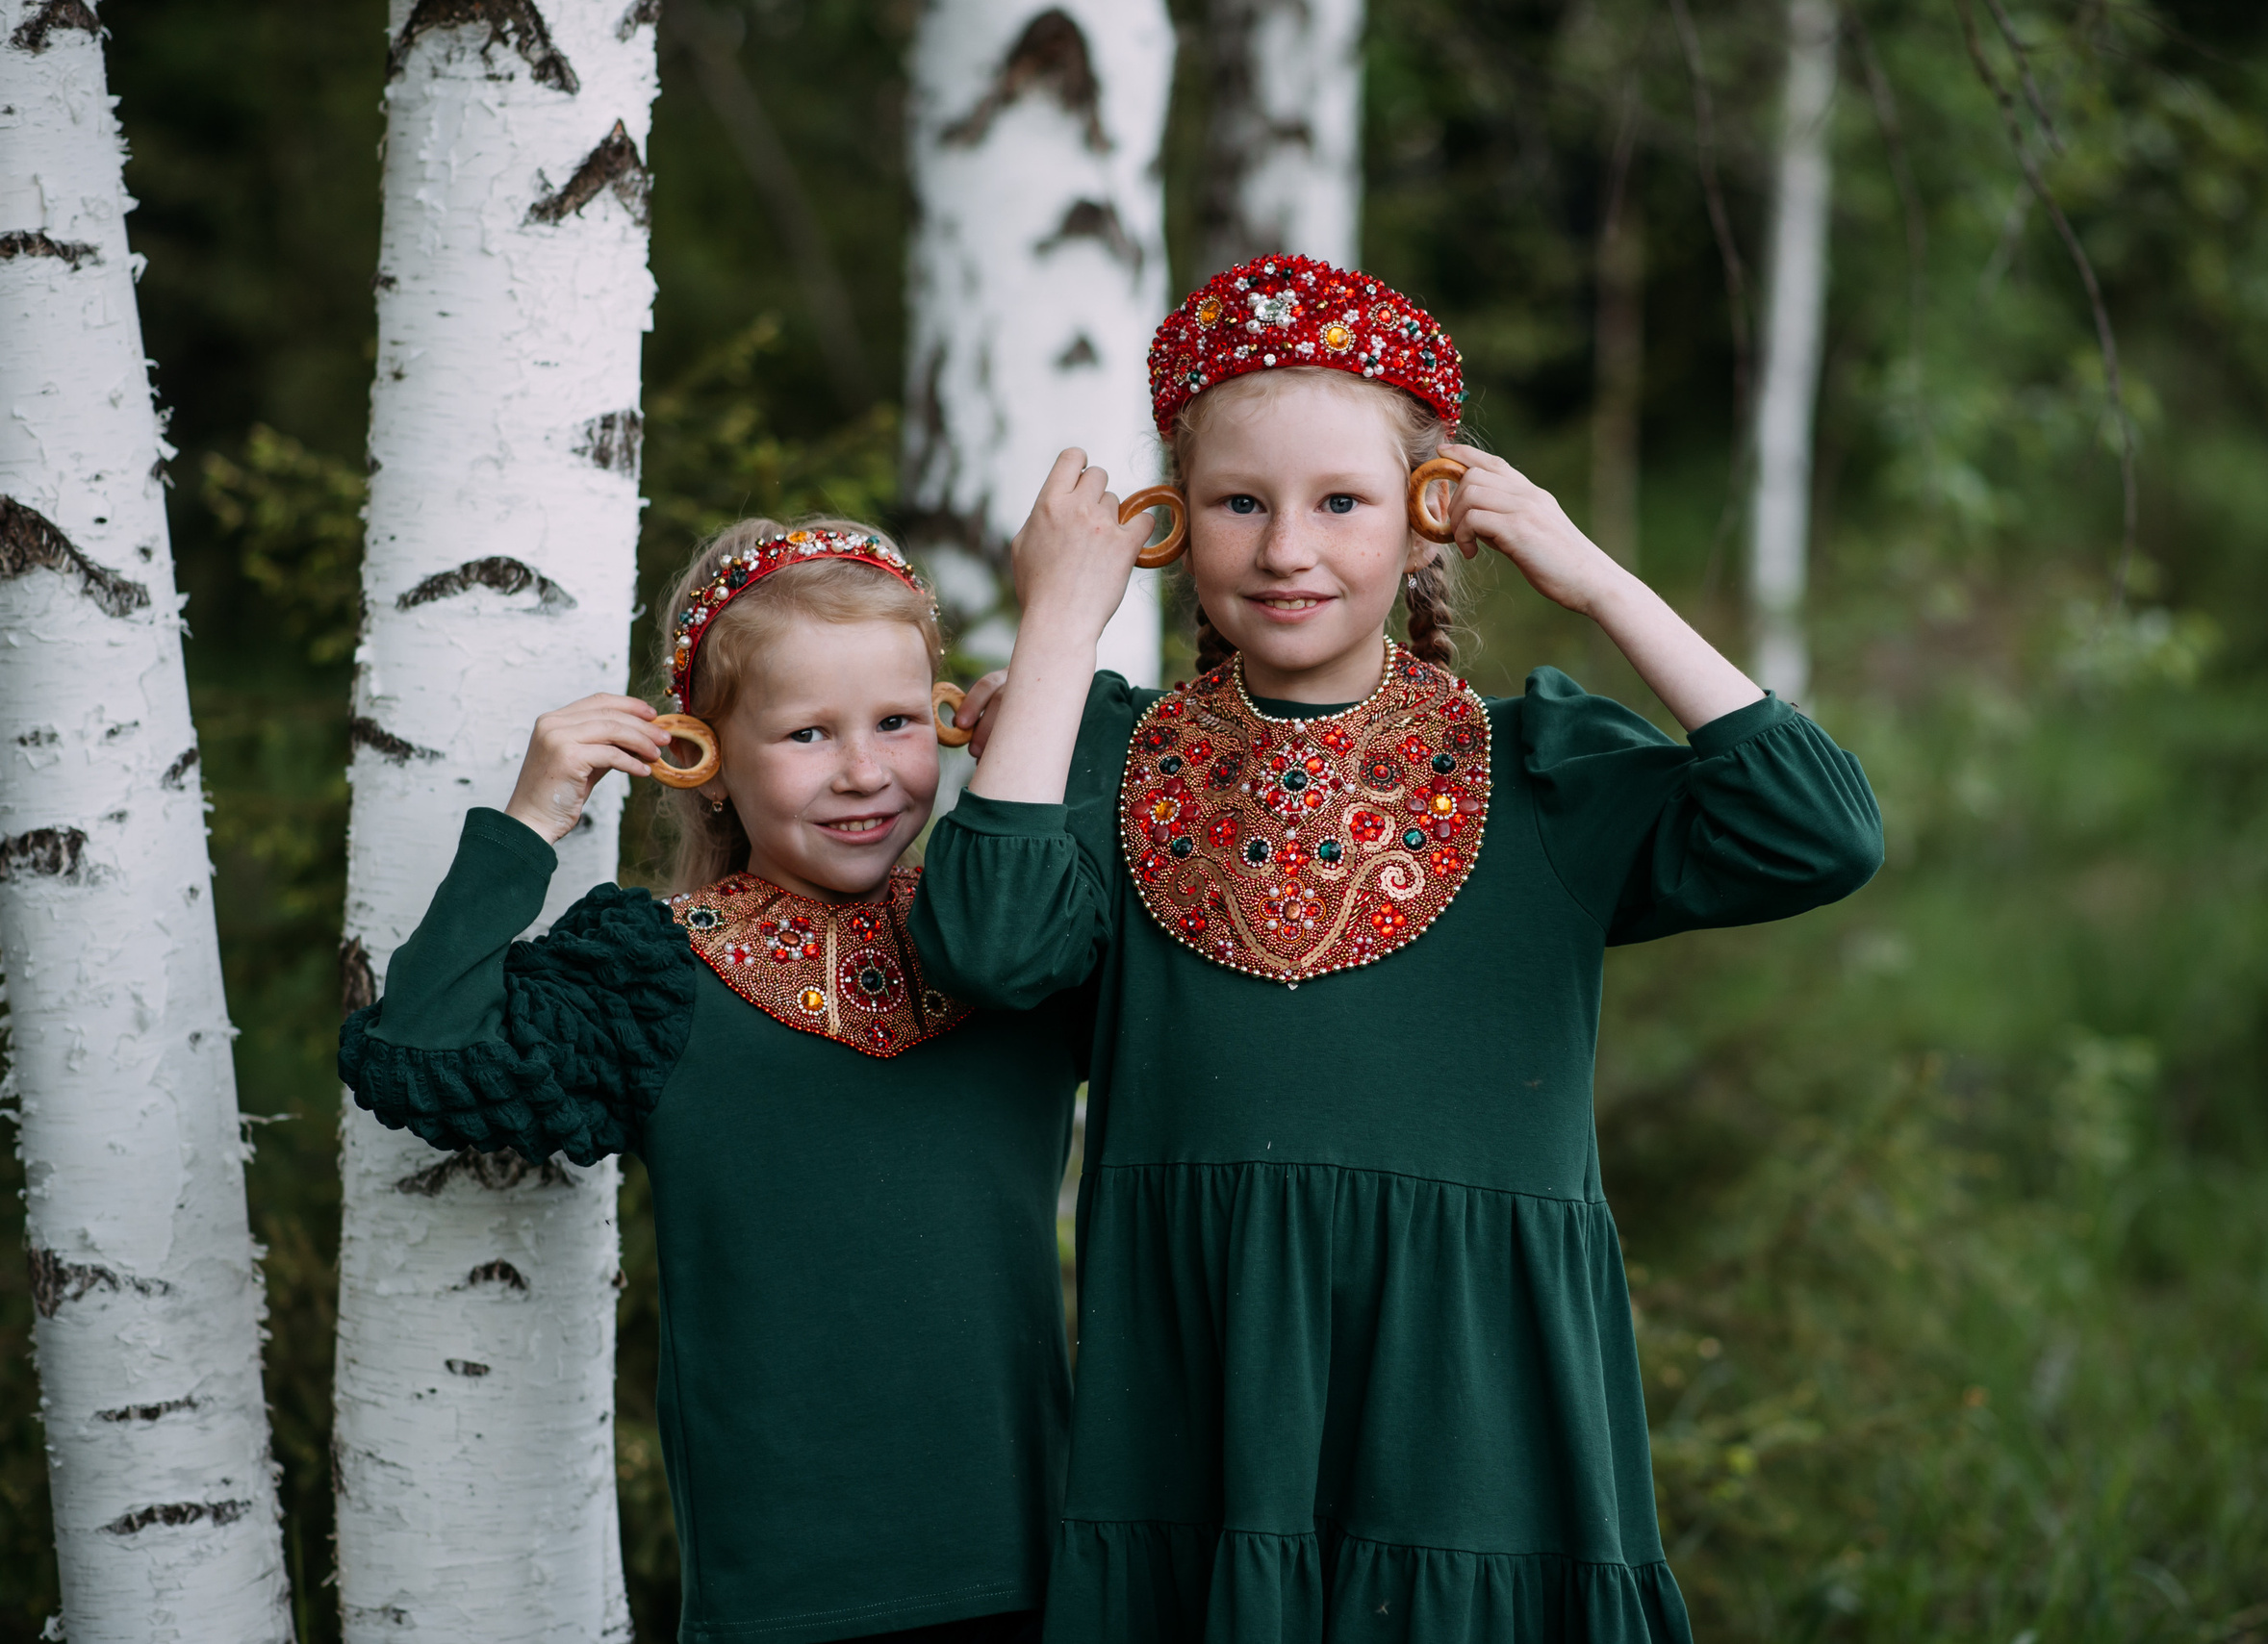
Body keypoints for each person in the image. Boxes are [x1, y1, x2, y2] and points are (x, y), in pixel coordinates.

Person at [908, 255, 1885, 1641]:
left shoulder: (1537, 769)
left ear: (1430, 521)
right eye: (1239, 504)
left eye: (1343, 503)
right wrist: (1061, 624)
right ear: (1173, 525)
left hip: (1475, 1412)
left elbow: (1821, 831)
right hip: (1208, 1400)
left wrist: (1590, 573)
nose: (1288, 548)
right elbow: (990, 950)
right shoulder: (1113, 759)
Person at [340, 519, 1077, 1644]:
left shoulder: (1020, 933)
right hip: (787, 1591)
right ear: (708, 758)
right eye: (804, 733)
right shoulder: (657, 973)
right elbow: (423, 1052)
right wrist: (533, 810)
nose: (864, 771)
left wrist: (1059, 727)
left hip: (1050, 1559)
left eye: (895, 721)